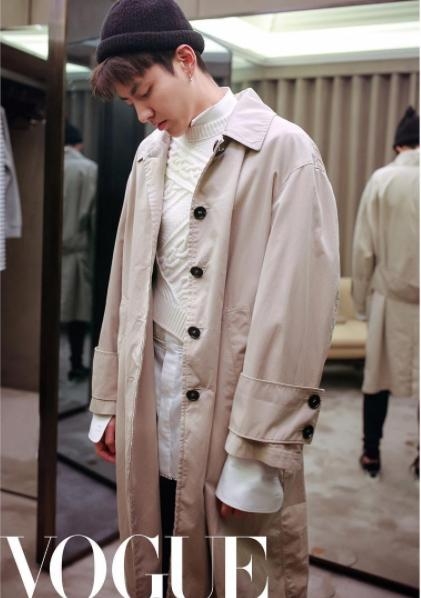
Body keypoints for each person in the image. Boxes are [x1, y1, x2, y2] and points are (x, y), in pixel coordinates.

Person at [88, 1, 339, 595]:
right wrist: (110, 398)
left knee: (237, 572)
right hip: (152, 403)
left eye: (145, 93)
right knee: (158, 561)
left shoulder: (284, 151)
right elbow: (126, 281)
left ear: (185, 59)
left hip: (231, 414)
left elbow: (295, 315)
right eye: (129, 103)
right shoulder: (149, 156)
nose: (143, 114)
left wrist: (258, 450)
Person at [352, 107, 419, 478]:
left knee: (376, 378)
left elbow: (364, 249)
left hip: (389, 299)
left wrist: (360, 303)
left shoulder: (383, 180)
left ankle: (370, 452)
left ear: (398, 146)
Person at [61, 122, 97, 380]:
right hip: (77, 252)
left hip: (39, 255)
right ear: (79, 144)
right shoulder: (88, 169)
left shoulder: (48, 163)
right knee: (77, 313)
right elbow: (94, 218)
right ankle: (75, 365)